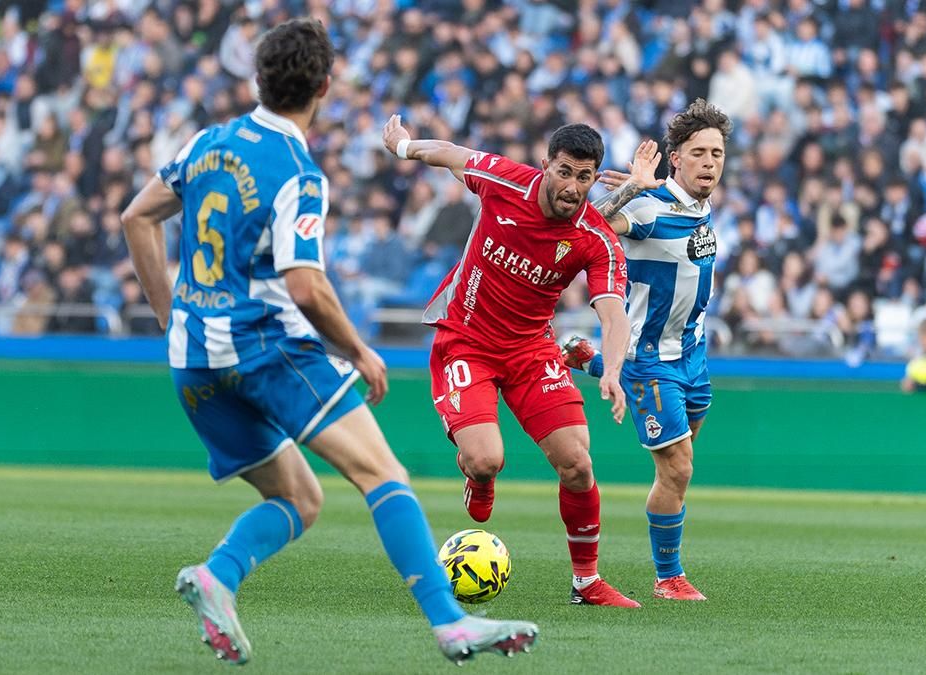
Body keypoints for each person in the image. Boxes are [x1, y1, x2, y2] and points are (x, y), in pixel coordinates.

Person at [120, 19, 537, 666]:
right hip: (265, 347)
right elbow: (307, 286)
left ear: (258, 78)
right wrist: (358, 350)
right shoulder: (297, 170)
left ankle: (217, 576)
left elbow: (136, 216)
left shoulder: (208, 141)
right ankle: (451, 623)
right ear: (324, 85)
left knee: (299, 498)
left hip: (193, 358)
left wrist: (169, 315)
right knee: (384, 475)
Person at [381, 114, 642, 608]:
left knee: (577, 464)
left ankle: (586, 583)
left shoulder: (597, 239)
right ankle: (475, 475)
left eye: (584, 177)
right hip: (466, 339)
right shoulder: (505, 181)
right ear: (546, 165)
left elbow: (613, 315)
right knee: (486, 459)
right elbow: (451, 155)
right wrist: (404, 147)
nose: (572, 186)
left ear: (594, 178)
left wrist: (611, 370)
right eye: (564, 171)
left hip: (531, 350)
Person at [561, 98, 734, 602]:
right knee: (677, 467)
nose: (710, 162)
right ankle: (668, 577)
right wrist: (633, 186)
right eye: (699, 152)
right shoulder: (649, 208)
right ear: (674, 158)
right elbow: (583, 227)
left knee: (681, 464)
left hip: (692, 358)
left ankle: (587, 360)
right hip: (649, 358)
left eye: (717, 154)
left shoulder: (698, 208)